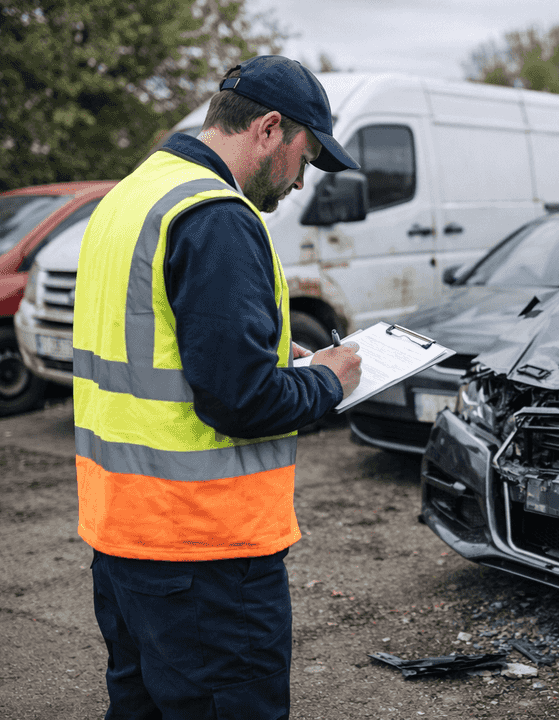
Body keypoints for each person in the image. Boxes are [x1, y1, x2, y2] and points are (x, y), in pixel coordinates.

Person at [72, 55, 362, 719]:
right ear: (268, 129)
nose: (299, 180)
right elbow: (242, 402)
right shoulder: (217, 215)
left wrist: (253, 350)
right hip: (206, 555)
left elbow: (154, 342)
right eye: (306, 156)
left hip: (124, 540)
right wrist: (326, 381)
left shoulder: (133, 196)